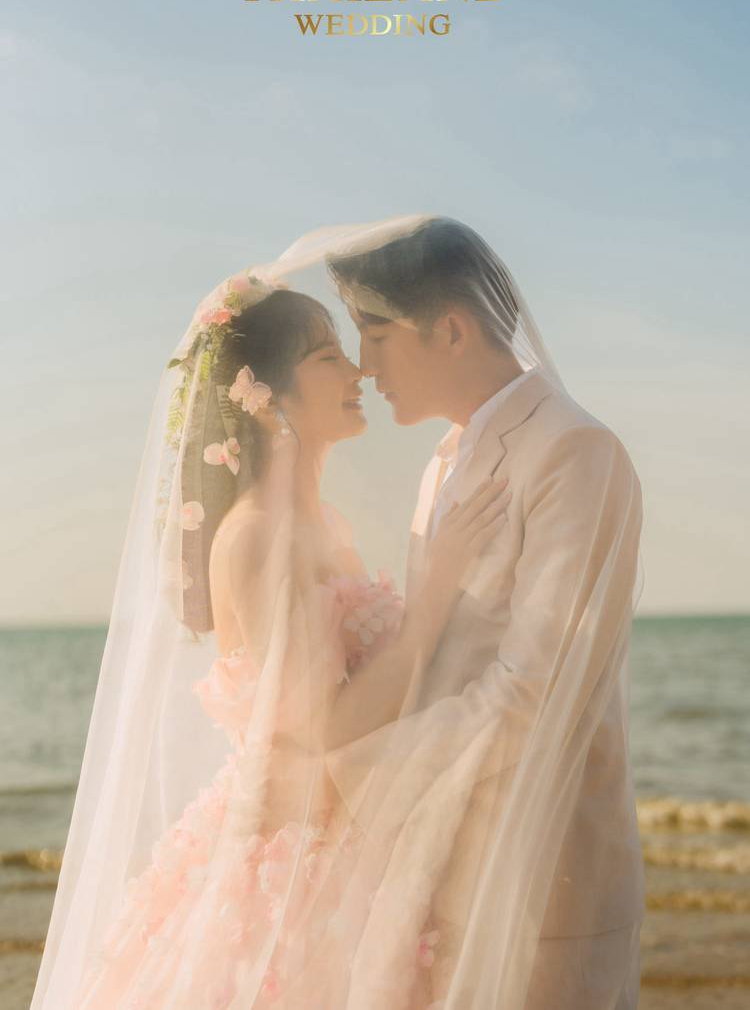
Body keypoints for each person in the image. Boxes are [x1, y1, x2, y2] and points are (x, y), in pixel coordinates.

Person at [31, 268, 508, 1009]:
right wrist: (433, 602)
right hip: (292, 872)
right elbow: (324, 731)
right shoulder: (257, 534)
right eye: (328, 357)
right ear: (266, 399)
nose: (359, 371)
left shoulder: (325, 525)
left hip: (346, 838)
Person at [315, 213, 646, 1008]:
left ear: (453, 330)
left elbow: (537, 691)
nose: (364, 364)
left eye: (376, 334)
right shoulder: (442, 464)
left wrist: (355, 778)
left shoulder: (575, 452)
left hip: (541, 877)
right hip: (440, 871)